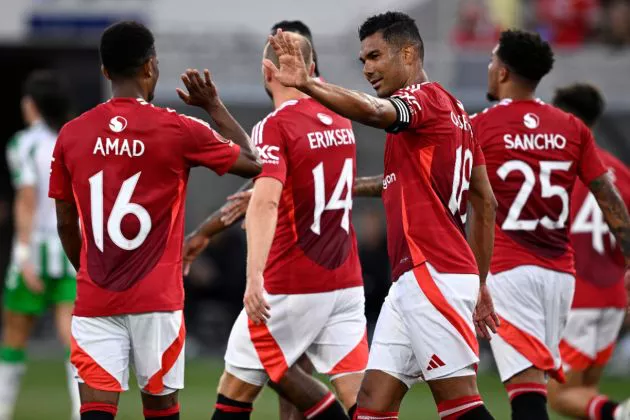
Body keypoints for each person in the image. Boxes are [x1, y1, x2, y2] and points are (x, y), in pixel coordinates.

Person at [265, 11, 500, 420]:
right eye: (363, 61)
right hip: (418, 277)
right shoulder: (457, 112)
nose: (368, 68)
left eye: (375, 56)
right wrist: (478, 283)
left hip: (434, 272)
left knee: (459, 403)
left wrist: (306, 84)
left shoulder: (421, 101)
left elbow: (375, 112)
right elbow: (485, 201)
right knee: (372, 404)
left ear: (408, 53)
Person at [47, 21, 261, 420]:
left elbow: (64, 220)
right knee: (161, 410)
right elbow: (257, 164)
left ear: (105, 72)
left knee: (95, 410)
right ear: (150, 67)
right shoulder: (179, 128)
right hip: (157, 301)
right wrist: (213, 106)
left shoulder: (71, 135)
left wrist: (89, 271)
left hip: (97, 297)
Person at [470, 30, 630, 420]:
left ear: (503, 71)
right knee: (547, 389)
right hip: (561, 280)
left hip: (510, 273)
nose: (489, 68)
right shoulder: (571, 128)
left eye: (492, 61)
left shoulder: (478, 125)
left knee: (529, 396)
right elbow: (612, 206)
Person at [208, 32, 367, 420]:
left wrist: (254, 277)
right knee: (363, 400)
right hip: (345, 281)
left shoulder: (273, 126)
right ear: (312, 71)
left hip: (293, 280)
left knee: (236, 390)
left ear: (266, 72)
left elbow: (265, 202)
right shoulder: (341, 118)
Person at [547, 83, 630, 420]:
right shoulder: (620, 172)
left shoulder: (554, 170)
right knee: (587, 393)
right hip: (612, 298)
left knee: (560, 396)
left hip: (575, 298)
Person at [0, 71, 80, 420]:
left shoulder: (24, 143)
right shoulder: (76, 138)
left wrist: (23, 256)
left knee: (15, 335)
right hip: (71, 250)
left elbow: (27, 200)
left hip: (34, 249)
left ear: (31, 104)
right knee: (74, 340)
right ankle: (85, 412)